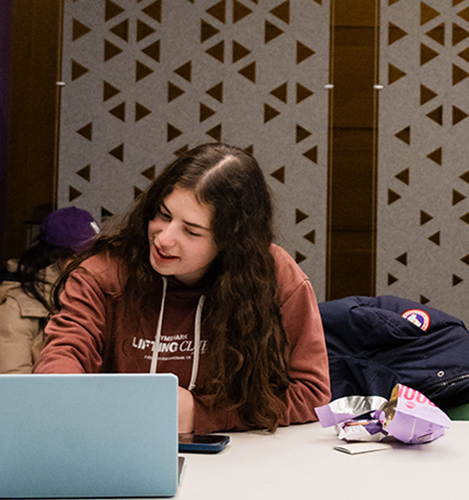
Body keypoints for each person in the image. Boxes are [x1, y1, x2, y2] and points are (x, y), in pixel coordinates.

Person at [34, 143, 331, 434]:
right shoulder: (103, 272)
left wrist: (205, 416)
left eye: (190, 231)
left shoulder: (276, 278)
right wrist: (65, 395)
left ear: (231, 241)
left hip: (242, 464)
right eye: (163, 215)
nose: (164, 239)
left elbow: (313, 392)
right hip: (121, 450)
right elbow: (62, 358)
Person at [0, 207, 98, 374]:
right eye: (87, 257)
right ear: (56, 258)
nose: (96, 266)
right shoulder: (10, 313)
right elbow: (11, 393)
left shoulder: (78, 299)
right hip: (44, 399)